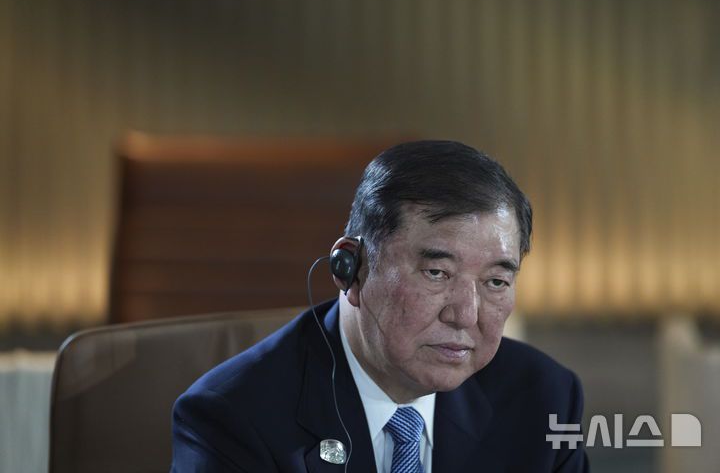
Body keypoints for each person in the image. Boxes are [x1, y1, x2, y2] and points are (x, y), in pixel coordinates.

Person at [171, 140, 589, 472]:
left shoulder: (545, 397)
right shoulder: (234, 418)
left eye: (495, 282)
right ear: (351, 268)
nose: (465, 316)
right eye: (436, 273)